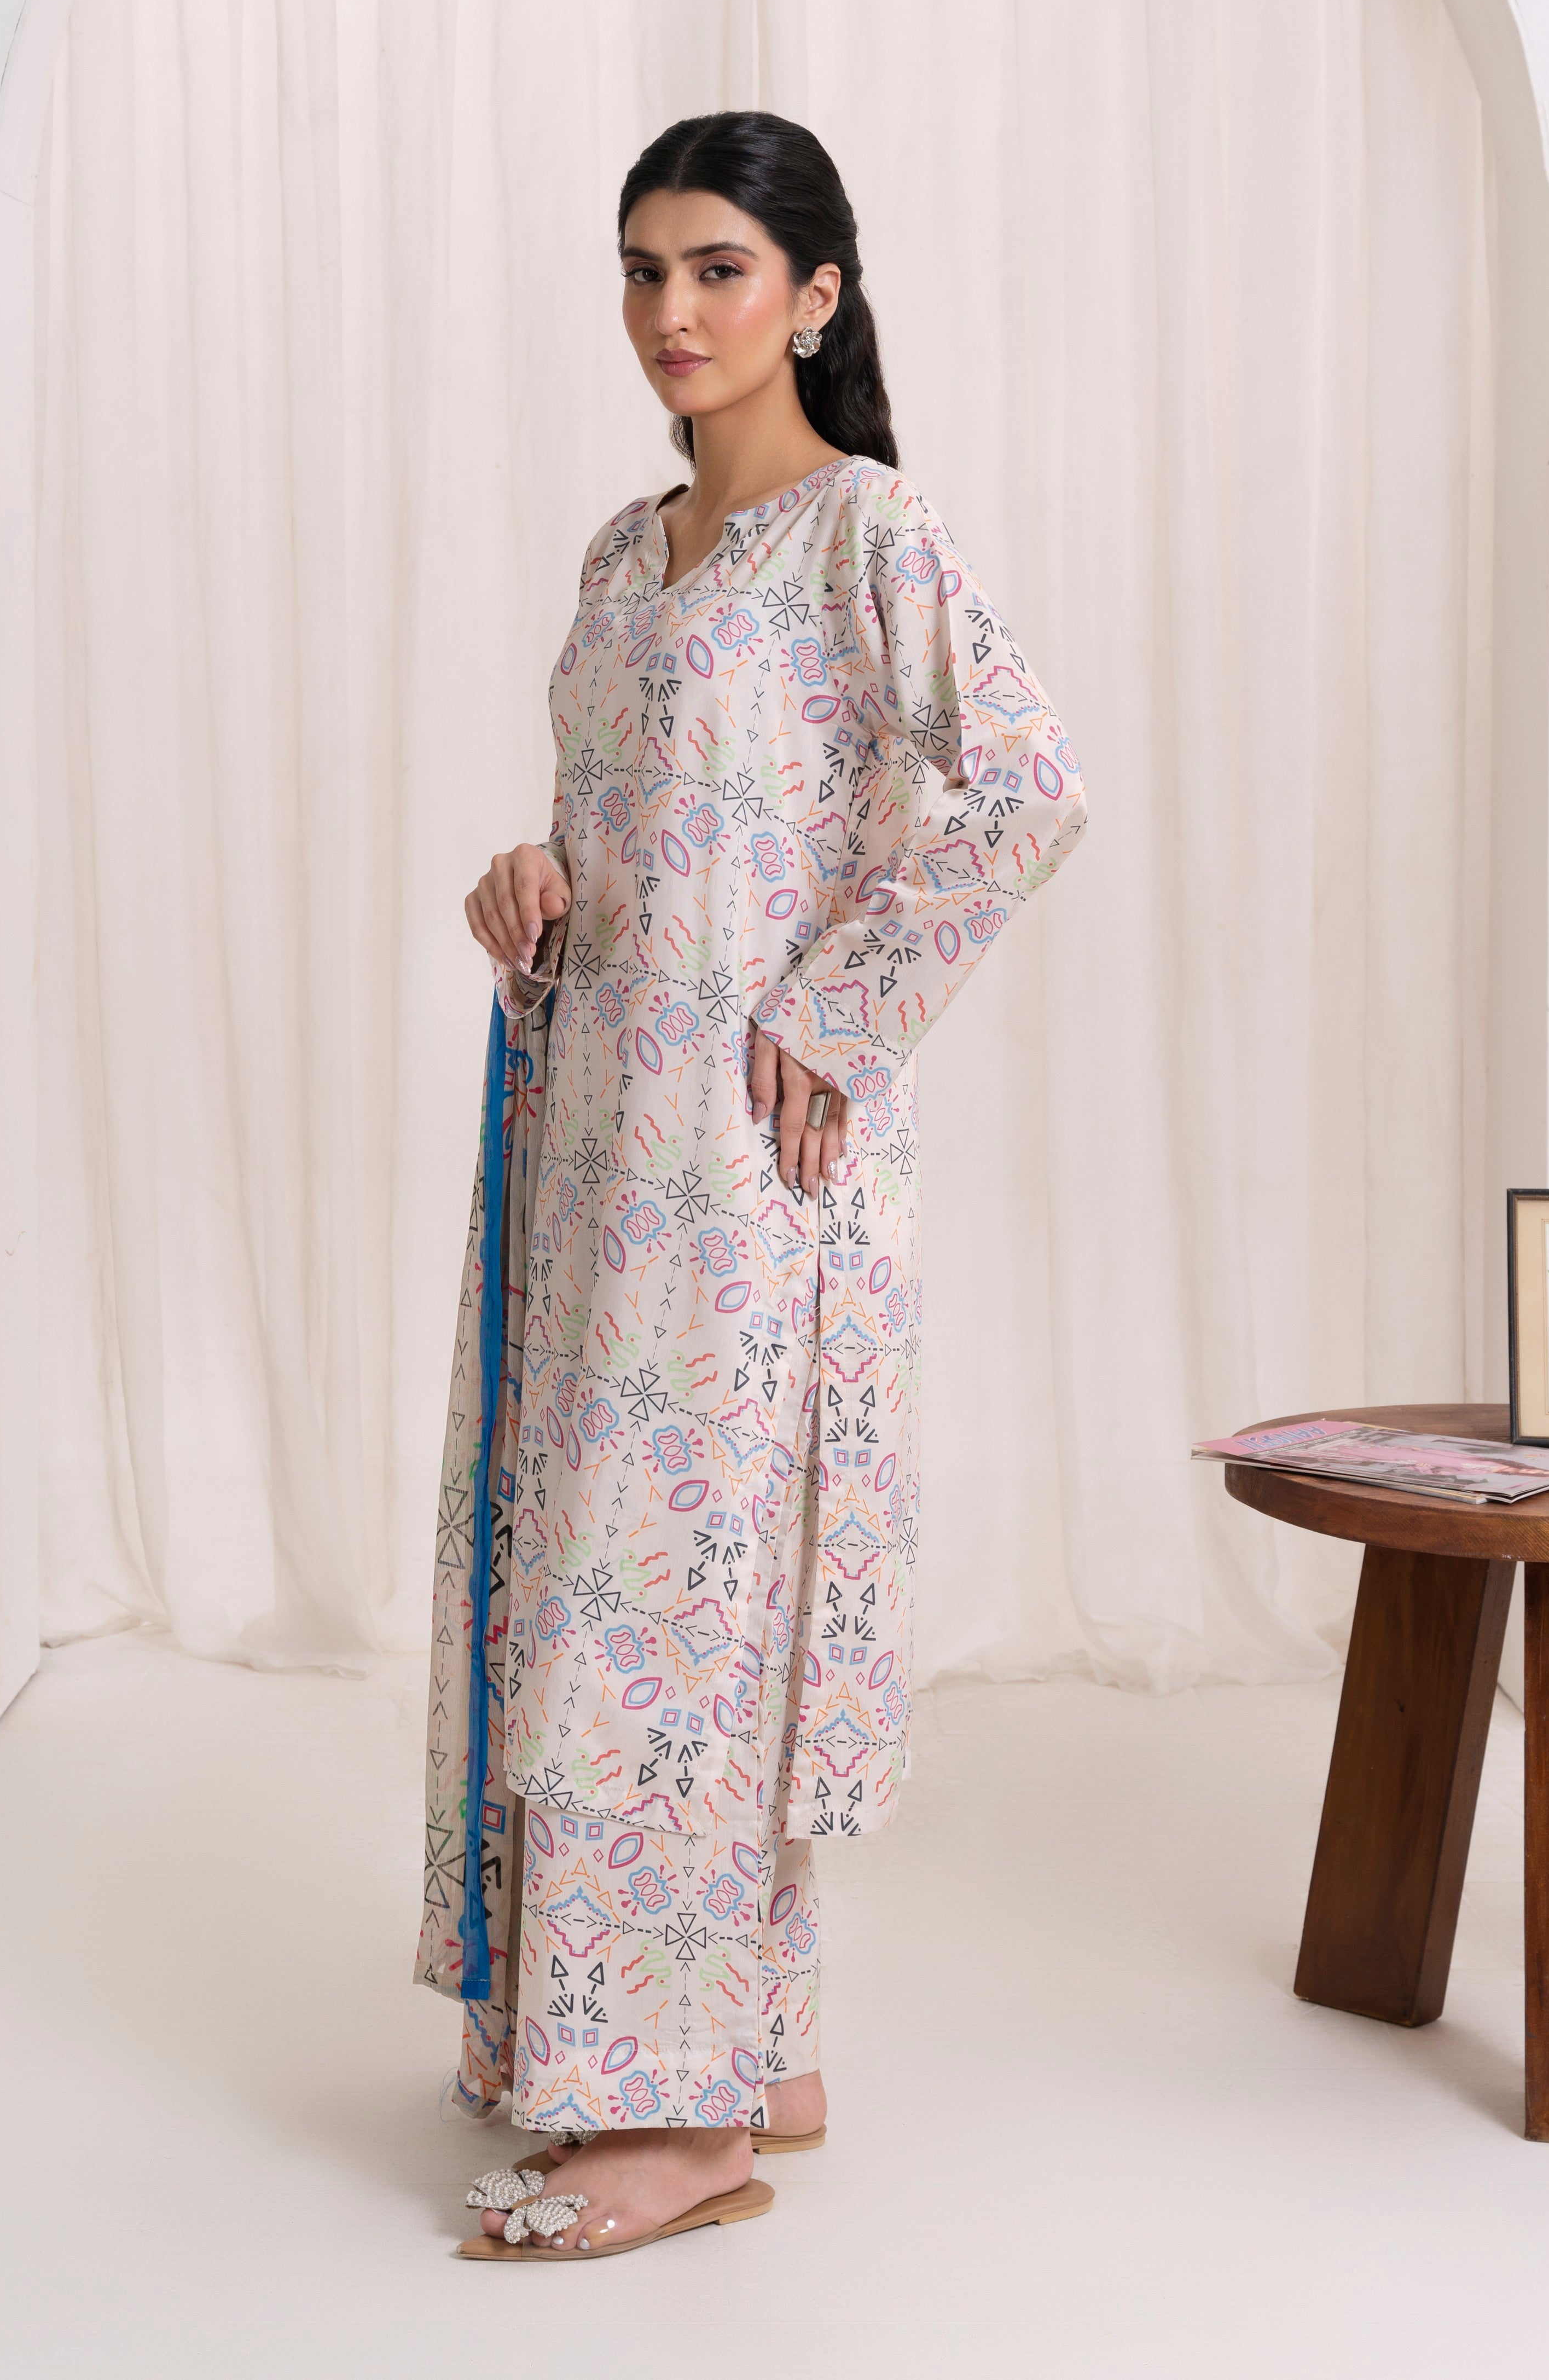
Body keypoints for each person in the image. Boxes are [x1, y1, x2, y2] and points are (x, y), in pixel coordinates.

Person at [415, 111, 1088, 2261]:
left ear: (813, 296)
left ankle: (675, 2116)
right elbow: (634, 830)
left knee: (678, 1619)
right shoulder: (628, 557)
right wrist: (531, 882)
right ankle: (744, 2041)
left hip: (746, 1175)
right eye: (641, 270)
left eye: (716, 269)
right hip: (589, 1146)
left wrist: (839, 1010)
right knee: (590, 1581)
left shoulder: (863, 533)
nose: (670, 312)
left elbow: (1024, 789)